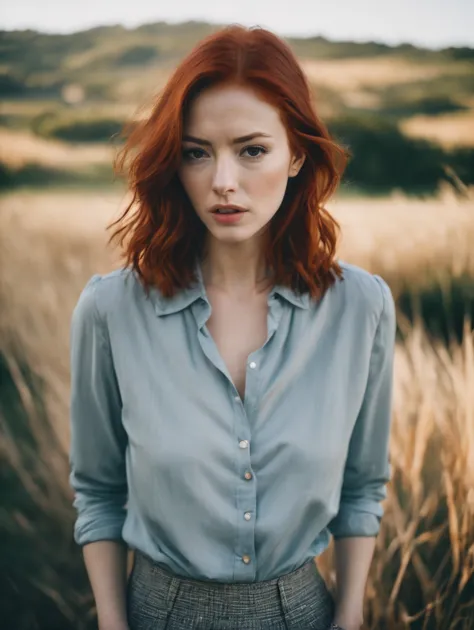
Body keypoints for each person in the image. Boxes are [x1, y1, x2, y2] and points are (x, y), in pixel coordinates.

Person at [69, 24, 396, 630]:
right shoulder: (110, 311)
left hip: (304, 612)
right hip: (156, 614)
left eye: (251, 150)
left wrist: (349, 617)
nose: (223, 181)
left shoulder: (361, 308)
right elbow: (97, 490)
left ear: (296, 154)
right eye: (197, 152)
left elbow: (362, 487)